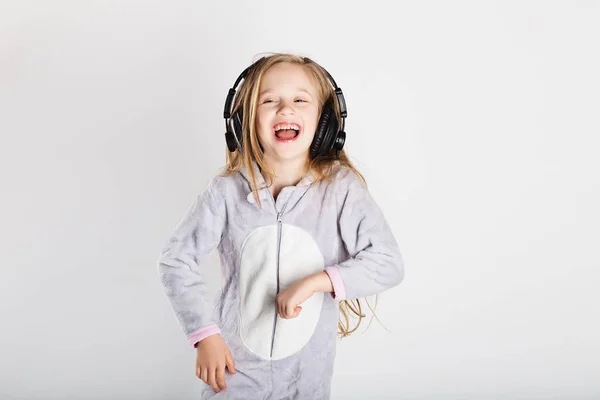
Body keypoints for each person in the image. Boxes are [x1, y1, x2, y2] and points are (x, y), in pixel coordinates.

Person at [157, 53, 404, 399]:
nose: (285, 110)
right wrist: (205, 334)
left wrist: (315, 283)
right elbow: (176, 260)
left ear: (325, 122)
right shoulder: (226, 192)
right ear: (245, 120)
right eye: (269, 101)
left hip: (306, 379)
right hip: (235, 373)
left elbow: (388, 263)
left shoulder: (342, 190)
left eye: (300, 100)